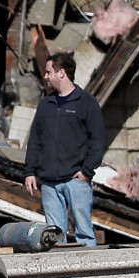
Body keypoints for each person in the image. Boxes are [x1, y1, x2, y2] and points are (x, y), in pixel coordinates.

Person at [22, 52, 106, 247]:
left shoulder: (86, 102)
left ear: (61, 73)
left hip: (76, 180)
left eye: (48, 72)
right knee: (54, 237)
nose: (45, 77)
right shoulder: (45, 105)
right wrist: (30, 172)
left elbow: (98, 141)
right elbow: (35, 140)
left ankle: (91, 271)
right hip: (49, 183)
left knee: (84, 232)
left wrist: (87, 171)